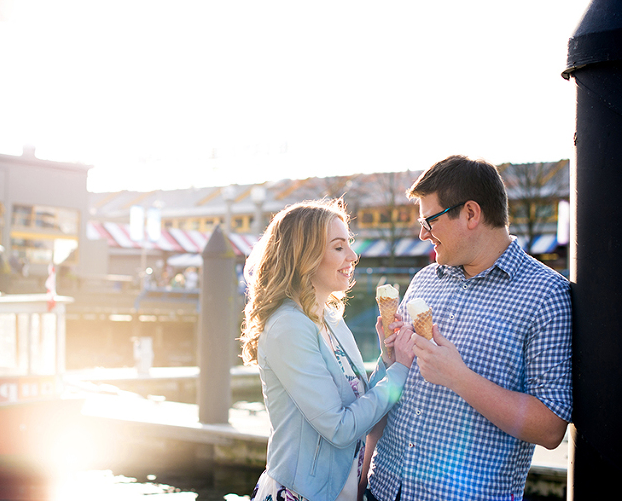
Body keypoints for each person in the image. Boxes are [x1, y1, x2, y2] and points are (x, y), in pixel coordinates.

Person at [366, 155, 572, 501]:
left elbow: (551, 427)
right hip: (383, 490)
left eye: (429, 221)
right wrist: (389, 359)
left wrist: (459, 377)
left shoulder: (546, 295)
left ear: (471, 213)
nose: (422, 234)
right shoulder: (424, 281)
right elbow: (391, 391)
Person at [240, 199, 415, 501]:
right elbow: (339, 427)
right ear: (304, 255)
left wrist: (388, 360)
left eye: (349, 244)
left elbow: (360, 407)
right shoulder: (288, 327)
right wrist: (401, 372)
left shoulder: (328, 317)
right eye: (338, 247)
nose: (353, 256)